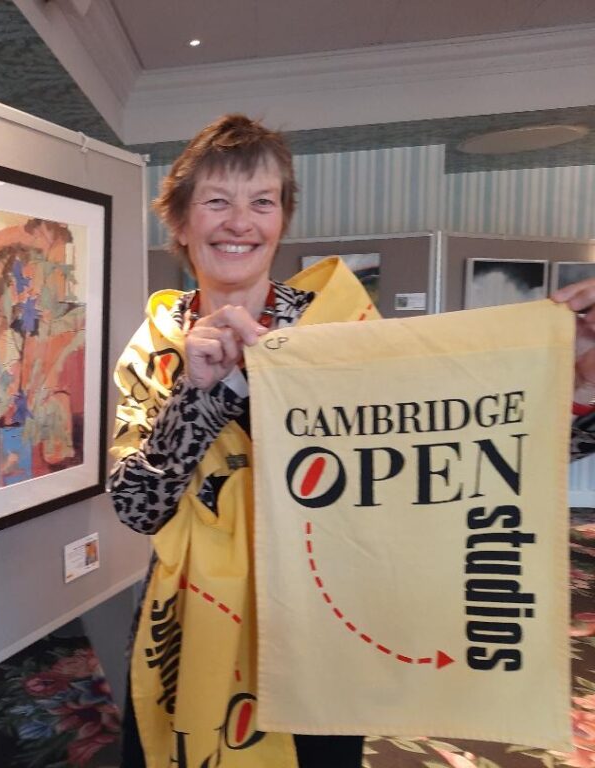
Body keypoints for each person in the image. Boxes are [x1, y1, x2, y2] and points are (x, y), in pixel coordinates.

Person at [108, 113, 595, 768]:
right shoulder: (155, 348)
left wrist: (574, 383)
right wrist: (202, 393)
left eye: (262, 202)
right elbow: (139, 506)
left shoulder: (341, 334)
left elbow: (462, 456)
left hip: (319, 619)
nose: (239, 221)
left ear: (282, 220)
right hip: (190, 615)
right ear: (181, 221)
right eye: (216, 201)